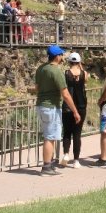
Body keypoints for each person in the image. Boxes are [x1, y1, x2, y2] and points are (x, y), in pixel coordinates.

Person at [35, 45, 80, 176]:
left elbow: (37, 87)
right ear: (57, 56)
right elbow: (65, 94)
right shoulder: (56, 71)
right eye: (61, 55)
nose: (62, 57)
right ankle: (46, 167)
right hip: (51, 106)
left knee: (51, 136)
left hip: (41, 104)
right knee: (50, 137)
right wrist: (75, 111)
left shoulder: (41, 68)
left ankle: (50, 163)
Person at [62, 52, 88, 168]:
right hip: (81, 106)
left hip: (68, 106)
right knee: (77, 134)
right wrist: (80, 67)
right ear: (79, 62)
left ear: (69, 62)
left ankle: (66, 154)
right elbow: (85, 80)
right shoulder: (84, 74)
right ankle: (76, 160)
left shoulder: (66, 73)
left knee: (67, 131)